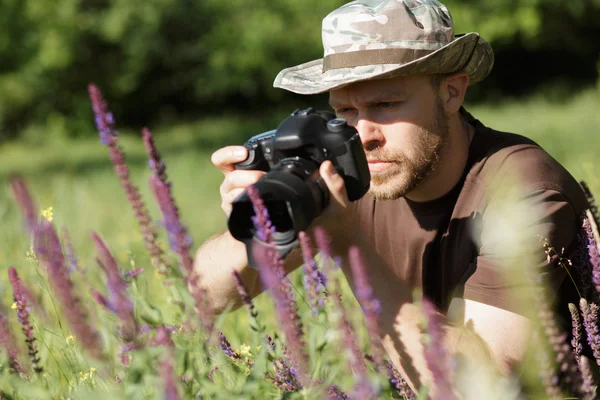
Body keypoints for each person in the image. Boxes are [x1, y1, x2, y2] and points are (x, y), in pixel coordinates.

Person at [194, 0, 590, 395]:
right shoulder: (355, 171)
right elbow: (203, 300)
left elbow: (479, 384)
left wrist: (348, 245)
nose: (364, 134)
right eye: (345, 110)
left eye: (385, 104)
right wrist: (257, 221)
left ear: (451, 92)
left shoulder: (522, 191)